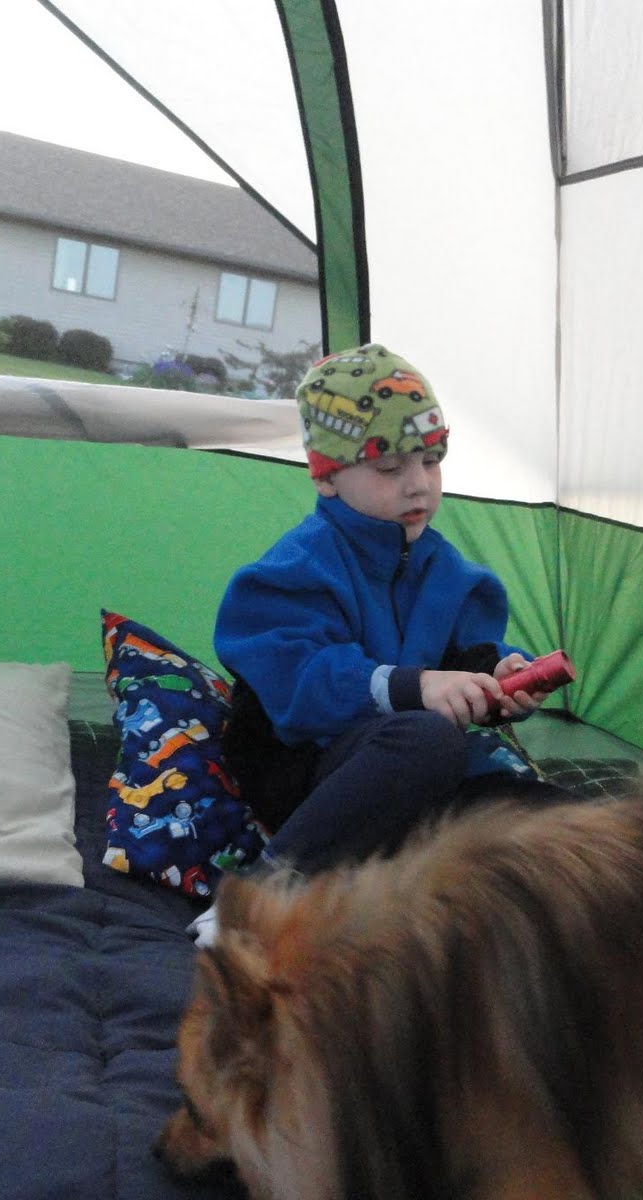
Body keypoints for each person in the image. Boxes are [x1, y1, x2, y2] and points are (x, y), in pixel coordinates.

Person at [211, 342, 563, 887]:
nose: (418, 483)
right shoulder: (298, 567)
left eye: (431, 461)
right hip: (315, 774)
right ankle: (267, 891)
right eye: (390, 466)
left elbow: (458, 655)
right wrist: (414, 687)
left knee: (560, 819)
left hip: (421, 780)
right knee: (427, 741)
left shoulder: (444, 568)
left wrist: (494, 678)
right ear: (327, 477)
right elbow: (300, 682)